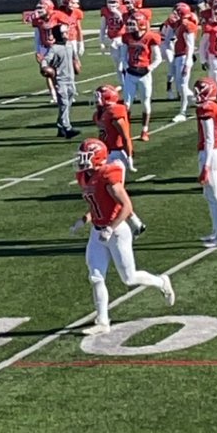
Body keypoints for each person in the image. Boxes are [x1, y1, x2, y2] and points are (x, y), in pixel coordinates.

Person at [71, 139, 174, 335]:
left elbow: (126, 206)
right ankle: (102, 321)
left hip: (117, 232)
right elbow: (97, 204)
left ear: (98, 158)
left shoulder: (107, 175)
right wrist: (84, 219)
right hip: (97, 231)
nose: (81, 161)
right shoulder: (85, 176)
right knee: (95, 276)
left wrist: (110, 228)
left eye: (86, 157)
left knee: (129, 278)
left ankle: (161, 282)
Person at [93, 85, 146, 238]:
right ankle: (136, 224)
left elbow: (125, 136)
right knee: (112, 194)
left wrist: (129, 157)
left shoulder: (115, 112)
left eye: (99, 96)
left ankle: (122, 228)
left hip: (116, 155)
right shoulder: (102, 113)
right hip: (106, 155)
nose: (96, 99)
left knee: (115, 194)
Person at [194, 77, 217, 248]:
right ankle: (216, 231)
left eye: (199, 91)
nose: (197, 94)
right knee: (210, 196)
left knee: (215, 197)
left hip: (209, 153)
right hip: (216, 153)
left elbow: (209, 139)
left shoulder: (206, 109)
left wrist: (206, 166)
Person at [120, 11, 162, 142]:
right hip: (131, 73)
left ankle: (145, 130)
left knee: (145, 103)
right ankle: (126, 131)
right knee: (127, 104)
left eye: (133, 24)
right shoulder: (127, 37)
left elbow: (158, 58)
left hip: (144, 75)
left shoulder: (150, 37)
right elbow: (123, 55)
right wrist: (127, 67)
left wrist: (149, 68)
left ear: (142, 24)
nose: (130, 26)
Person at [41, 23, 81, 139]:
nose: (66, 34)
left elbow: (75, 58)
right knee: (63, 104)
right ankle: (67, 128)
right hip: (60, 80)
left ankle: (60, 126)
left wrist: (77, 64)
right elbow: (46, 60)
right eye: (63, 32)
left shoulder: (69, 45)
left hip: (71, 79)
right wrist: (44, 68)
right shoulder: (54, 48)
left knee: (68, 104)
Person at [171, 2, 198, 123]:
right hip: (178, 56)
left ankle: (183, 111)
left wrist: (187, 62)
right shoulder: (180, 24)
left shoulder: (188, 25)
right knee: (180, 85)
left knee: (182, 85)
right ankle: (197, 100)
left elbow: (190, 46)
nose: (174, 14)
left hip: (184, 57)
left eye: (176, 12)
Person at [99, 0, 127, 80]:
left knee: (123, 62)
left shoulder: (124, 9)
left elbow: (126, 23)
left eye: (114, 2)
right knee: (117, 63)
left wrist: (118, 13)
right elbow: (103, 27)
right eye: (110, 2)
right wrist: (101, 41)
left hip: (123, 39)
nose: (111, 4)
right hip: (112, 39)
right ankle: (122, 82)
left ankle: (128, 80)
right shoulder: (105, 11)